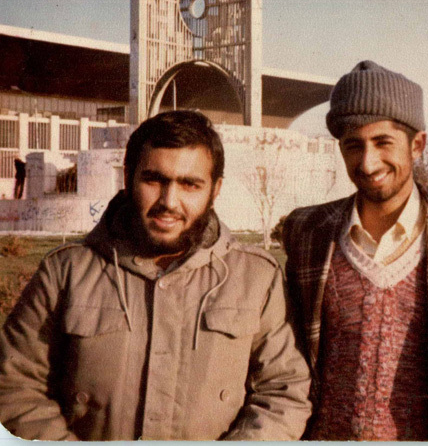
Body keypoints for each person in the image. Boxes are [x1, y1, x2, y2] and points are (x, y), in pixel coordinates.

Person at [0, 110, 311, 440]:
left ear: (215, 189)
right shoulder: (66, 272)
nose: (169, 201)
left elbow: (283, 394)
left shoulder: (257, 279)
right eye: (154, 180)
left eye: (190, 184)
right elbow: (14, 385)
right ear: (128, 178)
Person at [283, 61, 428, 441]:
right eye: (353, 145)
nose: (368, 163)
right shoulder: (309, 232)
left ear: (417, 145)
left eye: (383, 143)